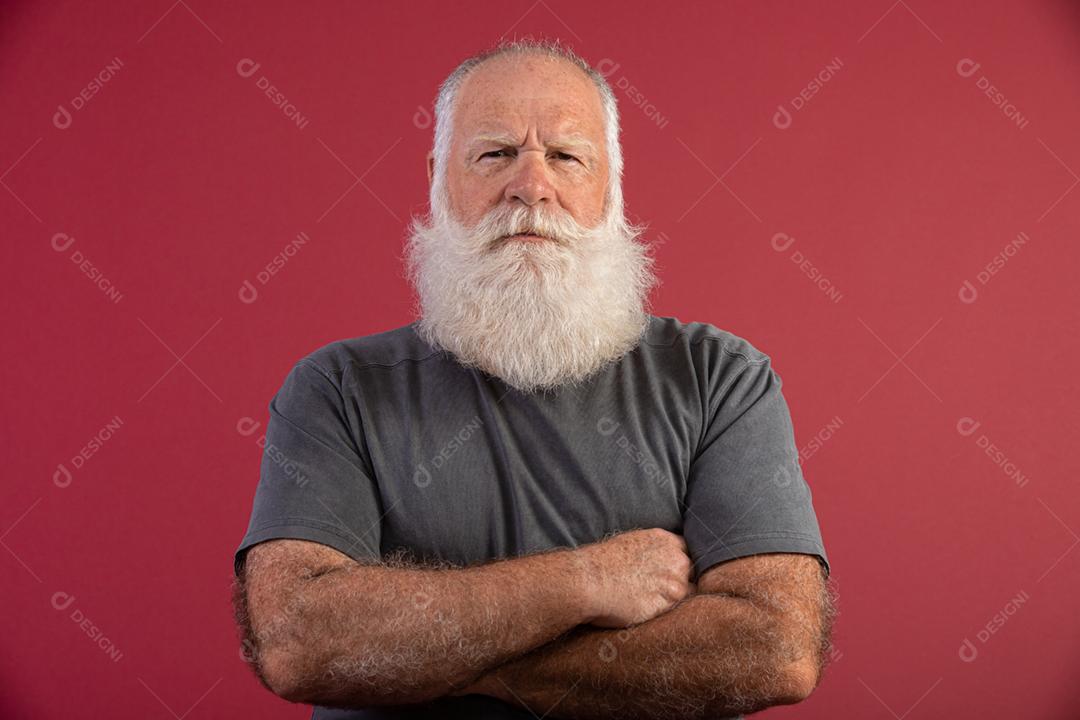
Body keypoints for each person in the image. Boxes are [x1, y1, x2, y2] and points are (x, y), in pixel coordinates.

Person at [231, 38, 835, 720]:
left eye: (566, 156)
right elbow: (298, 639)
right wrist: (586, 580)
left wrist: (445, 657)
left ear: (611, 186)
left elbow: (775, 647)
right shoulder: (336, 389)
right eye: (494, 154)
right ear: (438, 179)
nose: (531, 186)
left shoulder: (720, 378)